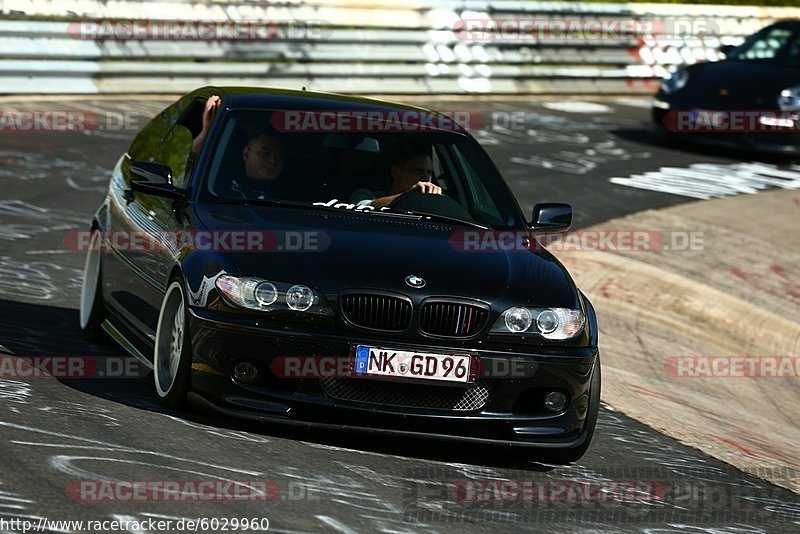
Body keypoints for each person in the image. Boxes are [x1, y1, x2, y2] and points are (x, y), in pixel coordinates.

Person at [352, 144, 442, 208]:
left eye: (429, 172)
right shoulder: (365, 194)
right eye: (419, 171)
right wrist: (409, 195)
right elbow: (364, 207)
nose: (426, 178)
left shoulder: (431, 204)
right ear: (395, 172)